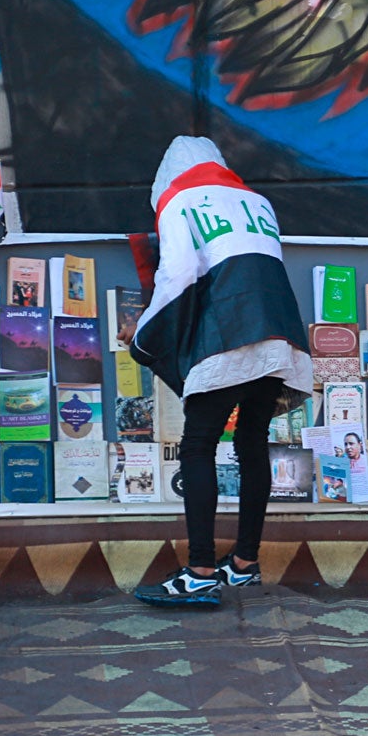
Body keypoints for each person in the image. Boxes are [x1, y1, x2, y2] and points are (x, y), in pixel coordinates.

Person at [128, 136, 314, 607]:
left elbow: (178, 275)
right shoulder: (257, 201)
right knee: (252, 441)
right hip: (279, 334)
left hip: (228, 333)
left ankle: (199, 571)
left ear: (165, 178)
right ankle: (245, 564)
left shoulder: (179, 199)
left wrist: (144, 335)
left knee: (198, 445)